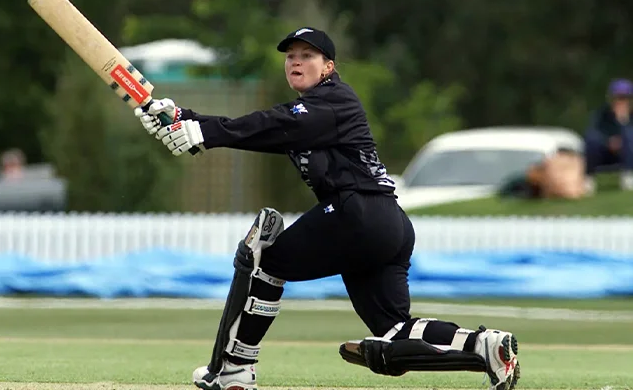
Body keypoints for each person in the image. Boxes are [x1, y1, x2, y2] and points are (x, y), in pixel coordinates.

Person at [134, 27, 520, 390]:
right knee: (393, 331)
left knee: (265, 262)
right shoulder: (308, 113)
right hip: (386, 225)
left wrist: (205, 133)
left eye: (307, 56)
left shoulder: (334, 100)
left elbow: (275, 124)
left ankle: (235, 369)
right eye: (291, 57)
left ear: (329, 67)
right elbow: (263, 129)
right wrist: (182, 118)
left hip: (359, 213)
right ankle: (483, 345)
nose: (296, 62)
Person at [583, 78, 633, 193]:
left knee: (629, 136)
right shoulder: (602, 114)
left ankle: (629, 176)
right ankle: (588, 179)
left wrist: (623, 121)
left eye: (624, 98)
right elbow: (593, 131)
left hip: (628, 152)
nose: (621, 101)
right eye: (618, 98)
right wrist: (608, 141)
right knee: (591, 140)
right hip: (605, 151)